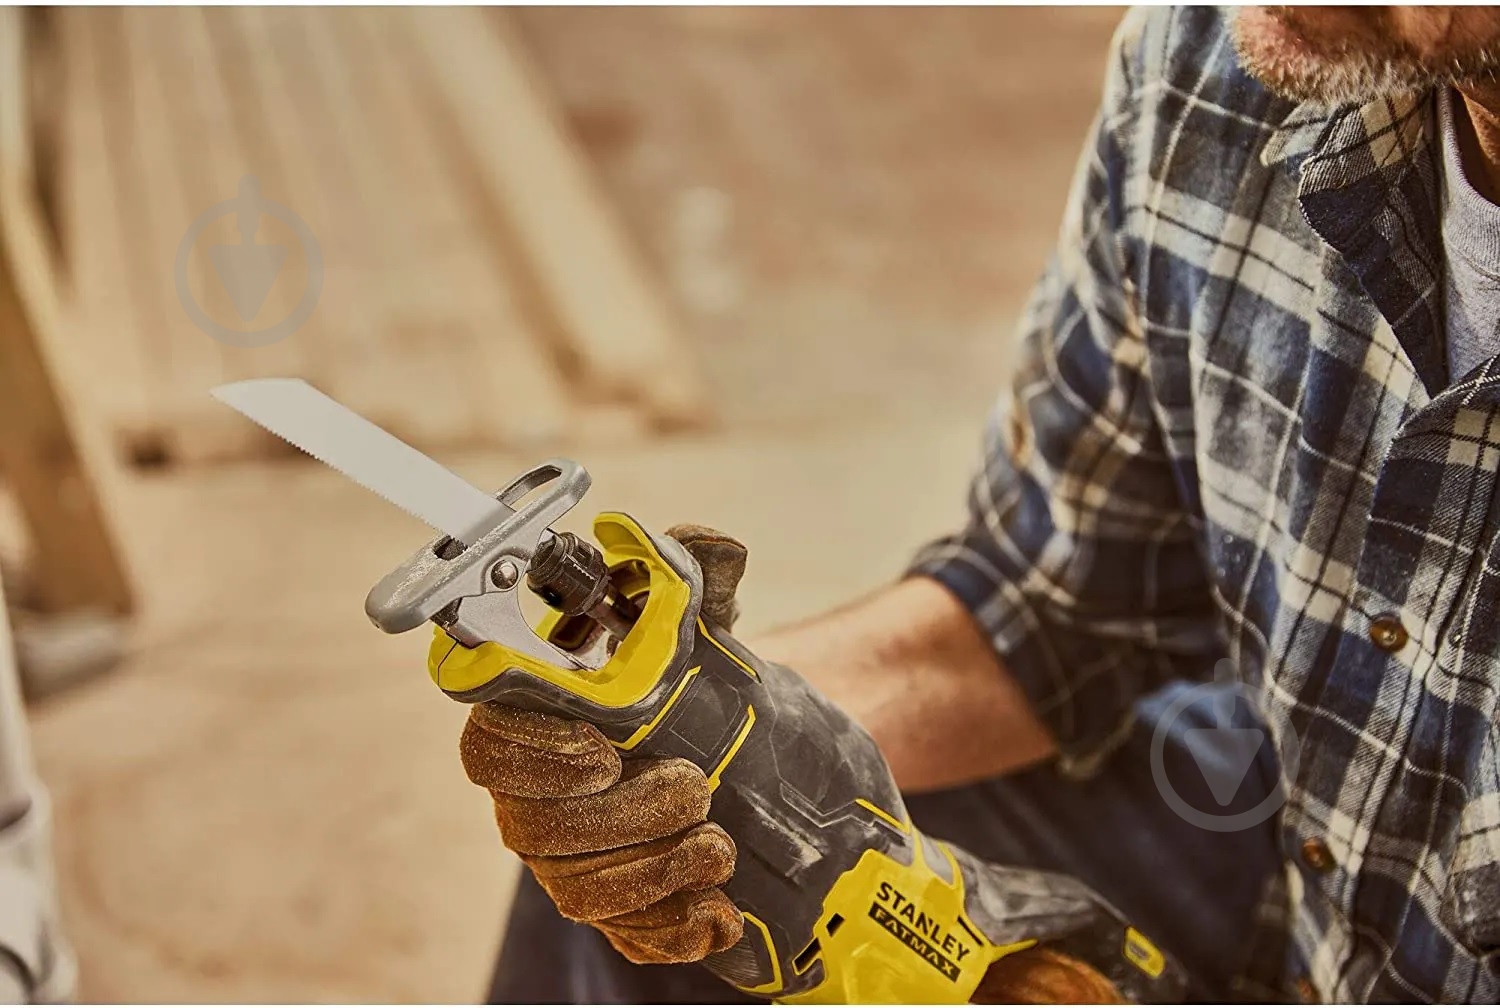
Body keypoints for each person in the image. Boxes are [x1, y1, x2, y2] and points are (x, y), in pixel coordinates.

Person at [466, 6, 1500, 1002]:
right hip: (1294, 851)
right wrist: (710, 715)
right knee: (683, 865)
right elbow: (1050, 605)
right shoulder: (1217, 63)